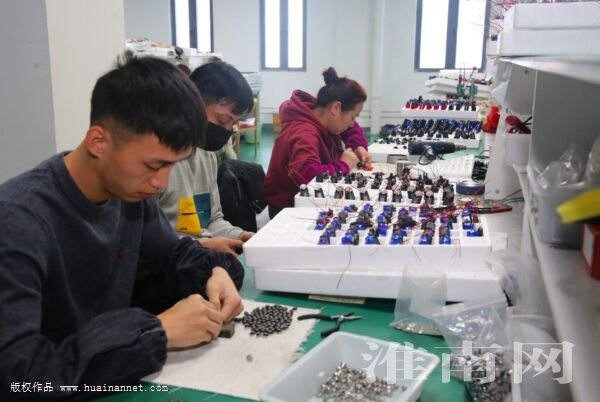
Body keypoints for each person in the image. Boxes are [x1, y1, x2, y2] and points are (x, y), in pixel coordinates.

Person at [0, 54, 244, 401]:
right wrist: (156, 333)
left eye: (172, 166)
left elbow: (174, 254)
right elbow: (20, 382)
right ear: (99, 142)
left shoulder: (129, 194)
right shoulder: (17, 222)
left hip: (109, 381)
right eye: (154, 165)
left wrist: (214, 272)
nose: (161, 183)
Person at [155, 60, 255, 256]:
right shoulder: (154, 163)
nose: (227, 130)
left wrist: (239, 236)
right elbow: (143, 240)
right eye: (223, 120)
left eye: (233, 123)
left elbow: (212, 220)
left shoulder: (206, 154)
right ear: (193, 102)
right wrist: (204, 246)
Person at [263, 67, 371, 218]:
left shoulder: (321, 114)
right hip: (288, 208)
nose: (353, 123)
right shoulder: (304, 133)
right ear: (336, 108)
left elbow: (349, 128)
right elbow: (306, 174)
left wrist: (358, 145)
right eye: (353, 117)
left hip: (311, 199)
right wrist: (343, 165)